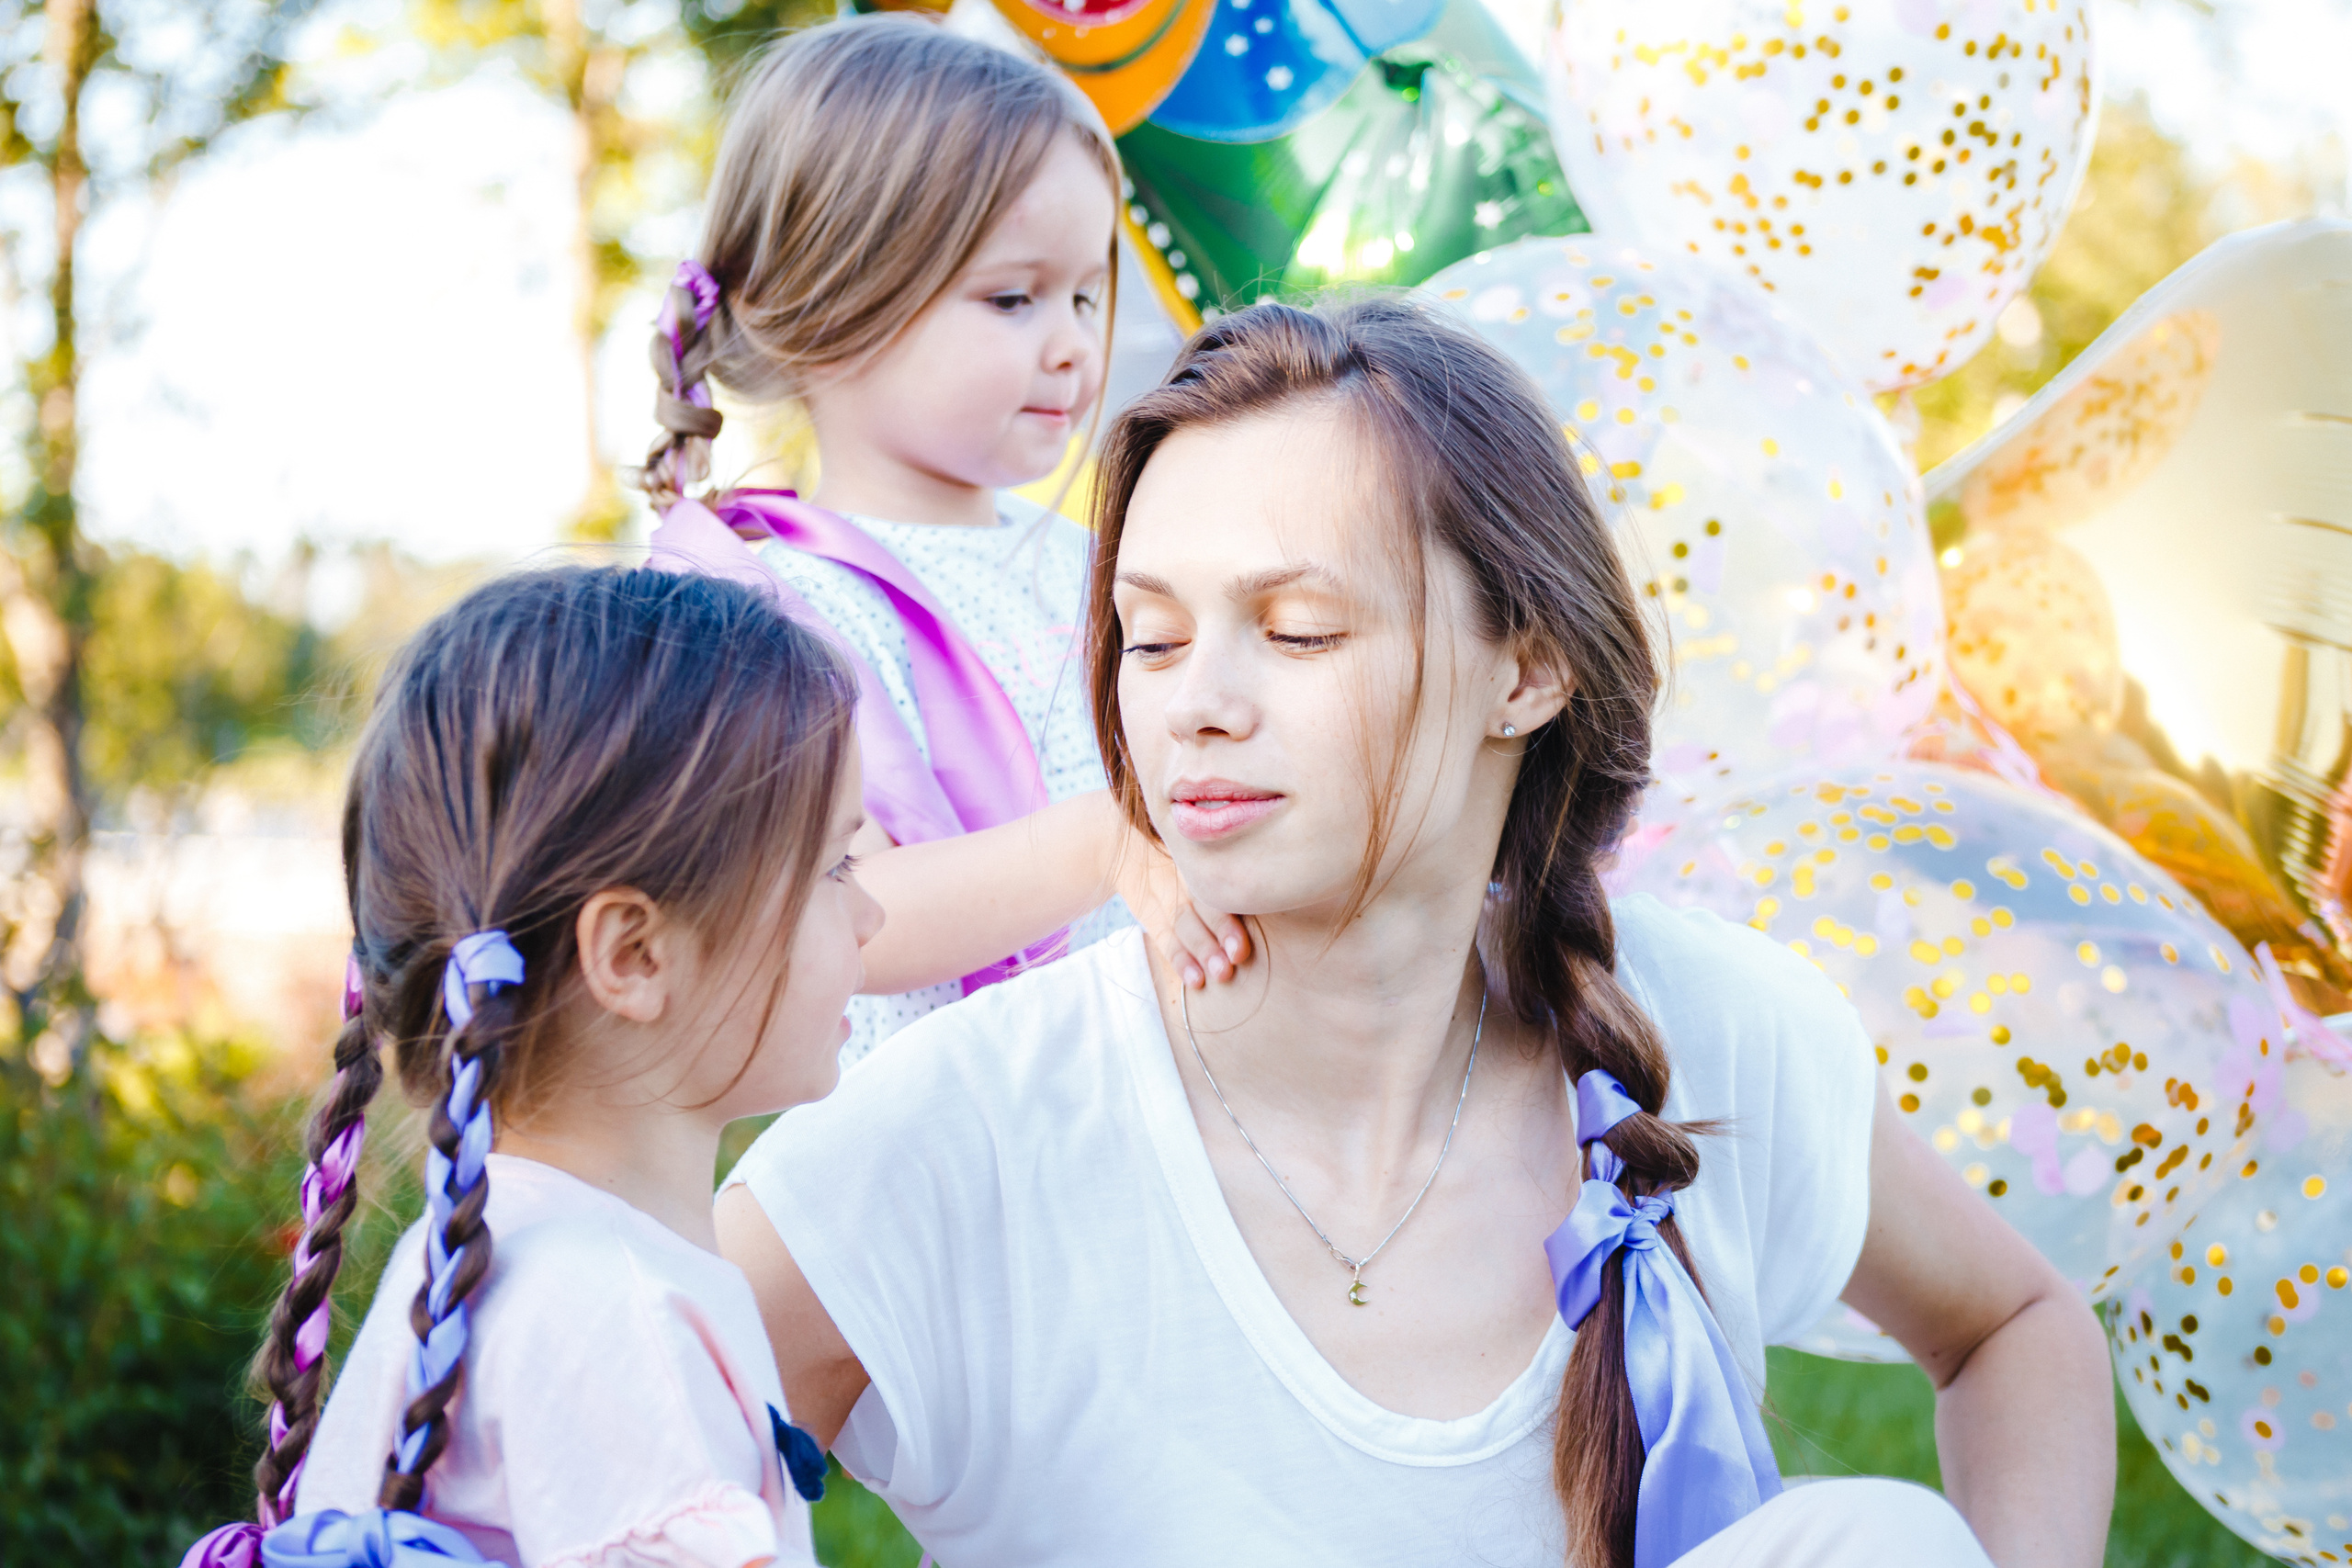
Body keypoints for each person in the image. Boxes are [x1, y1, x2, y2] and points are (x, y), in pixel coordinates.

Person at [715, 299, 2118, 1566]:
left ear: (1528, 664)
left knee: (1875, 1539)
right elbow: (567, 1477)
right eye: (1150, 636)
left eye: (1301, 628)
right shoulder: (960, 1130)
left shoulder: (1716, 1021)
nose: (1194, 701)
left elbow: (2018, 1330)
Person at [181, 567, 877, 1568]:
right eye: (834, 867)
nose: (872, 915)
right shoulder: (611, 1317)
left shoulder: (503, 1257)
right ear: (635, 955)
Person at [634, 14, 1241, 1070]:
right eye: (1013, 297)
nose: (1070, 345)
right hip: (952, 1161)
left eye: (1085, 293)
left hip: (1156, 1106)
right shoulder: (775, 605)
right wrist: (1115, 837)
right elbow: (856, 910)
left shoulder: (1099, 554)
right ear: (831, 303)